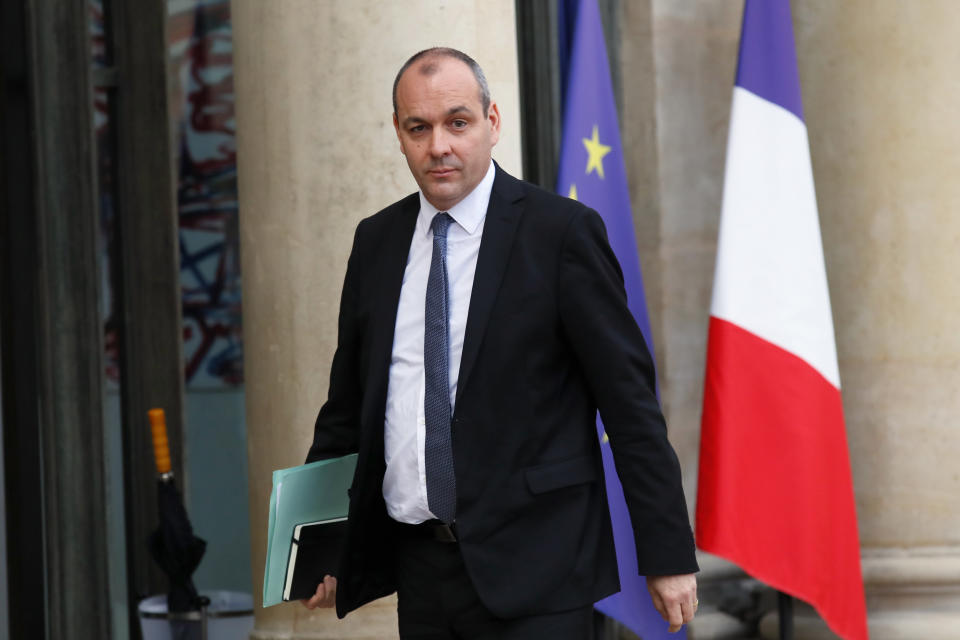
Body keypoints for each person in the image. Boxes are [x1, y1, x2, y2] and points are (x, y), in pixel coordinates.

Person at [301, 47, 698, 639]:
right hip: (421, 572)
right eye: (420, 128)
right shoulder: (377, 242)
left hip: (540, 572)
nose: (439, 145)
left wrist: (667, 554)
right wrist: (320, 541)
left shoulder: (560, 234)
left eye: (457, 123)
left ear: (492, 122)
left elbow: (630, 406)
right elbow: (346, 408)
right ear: (399, 134)